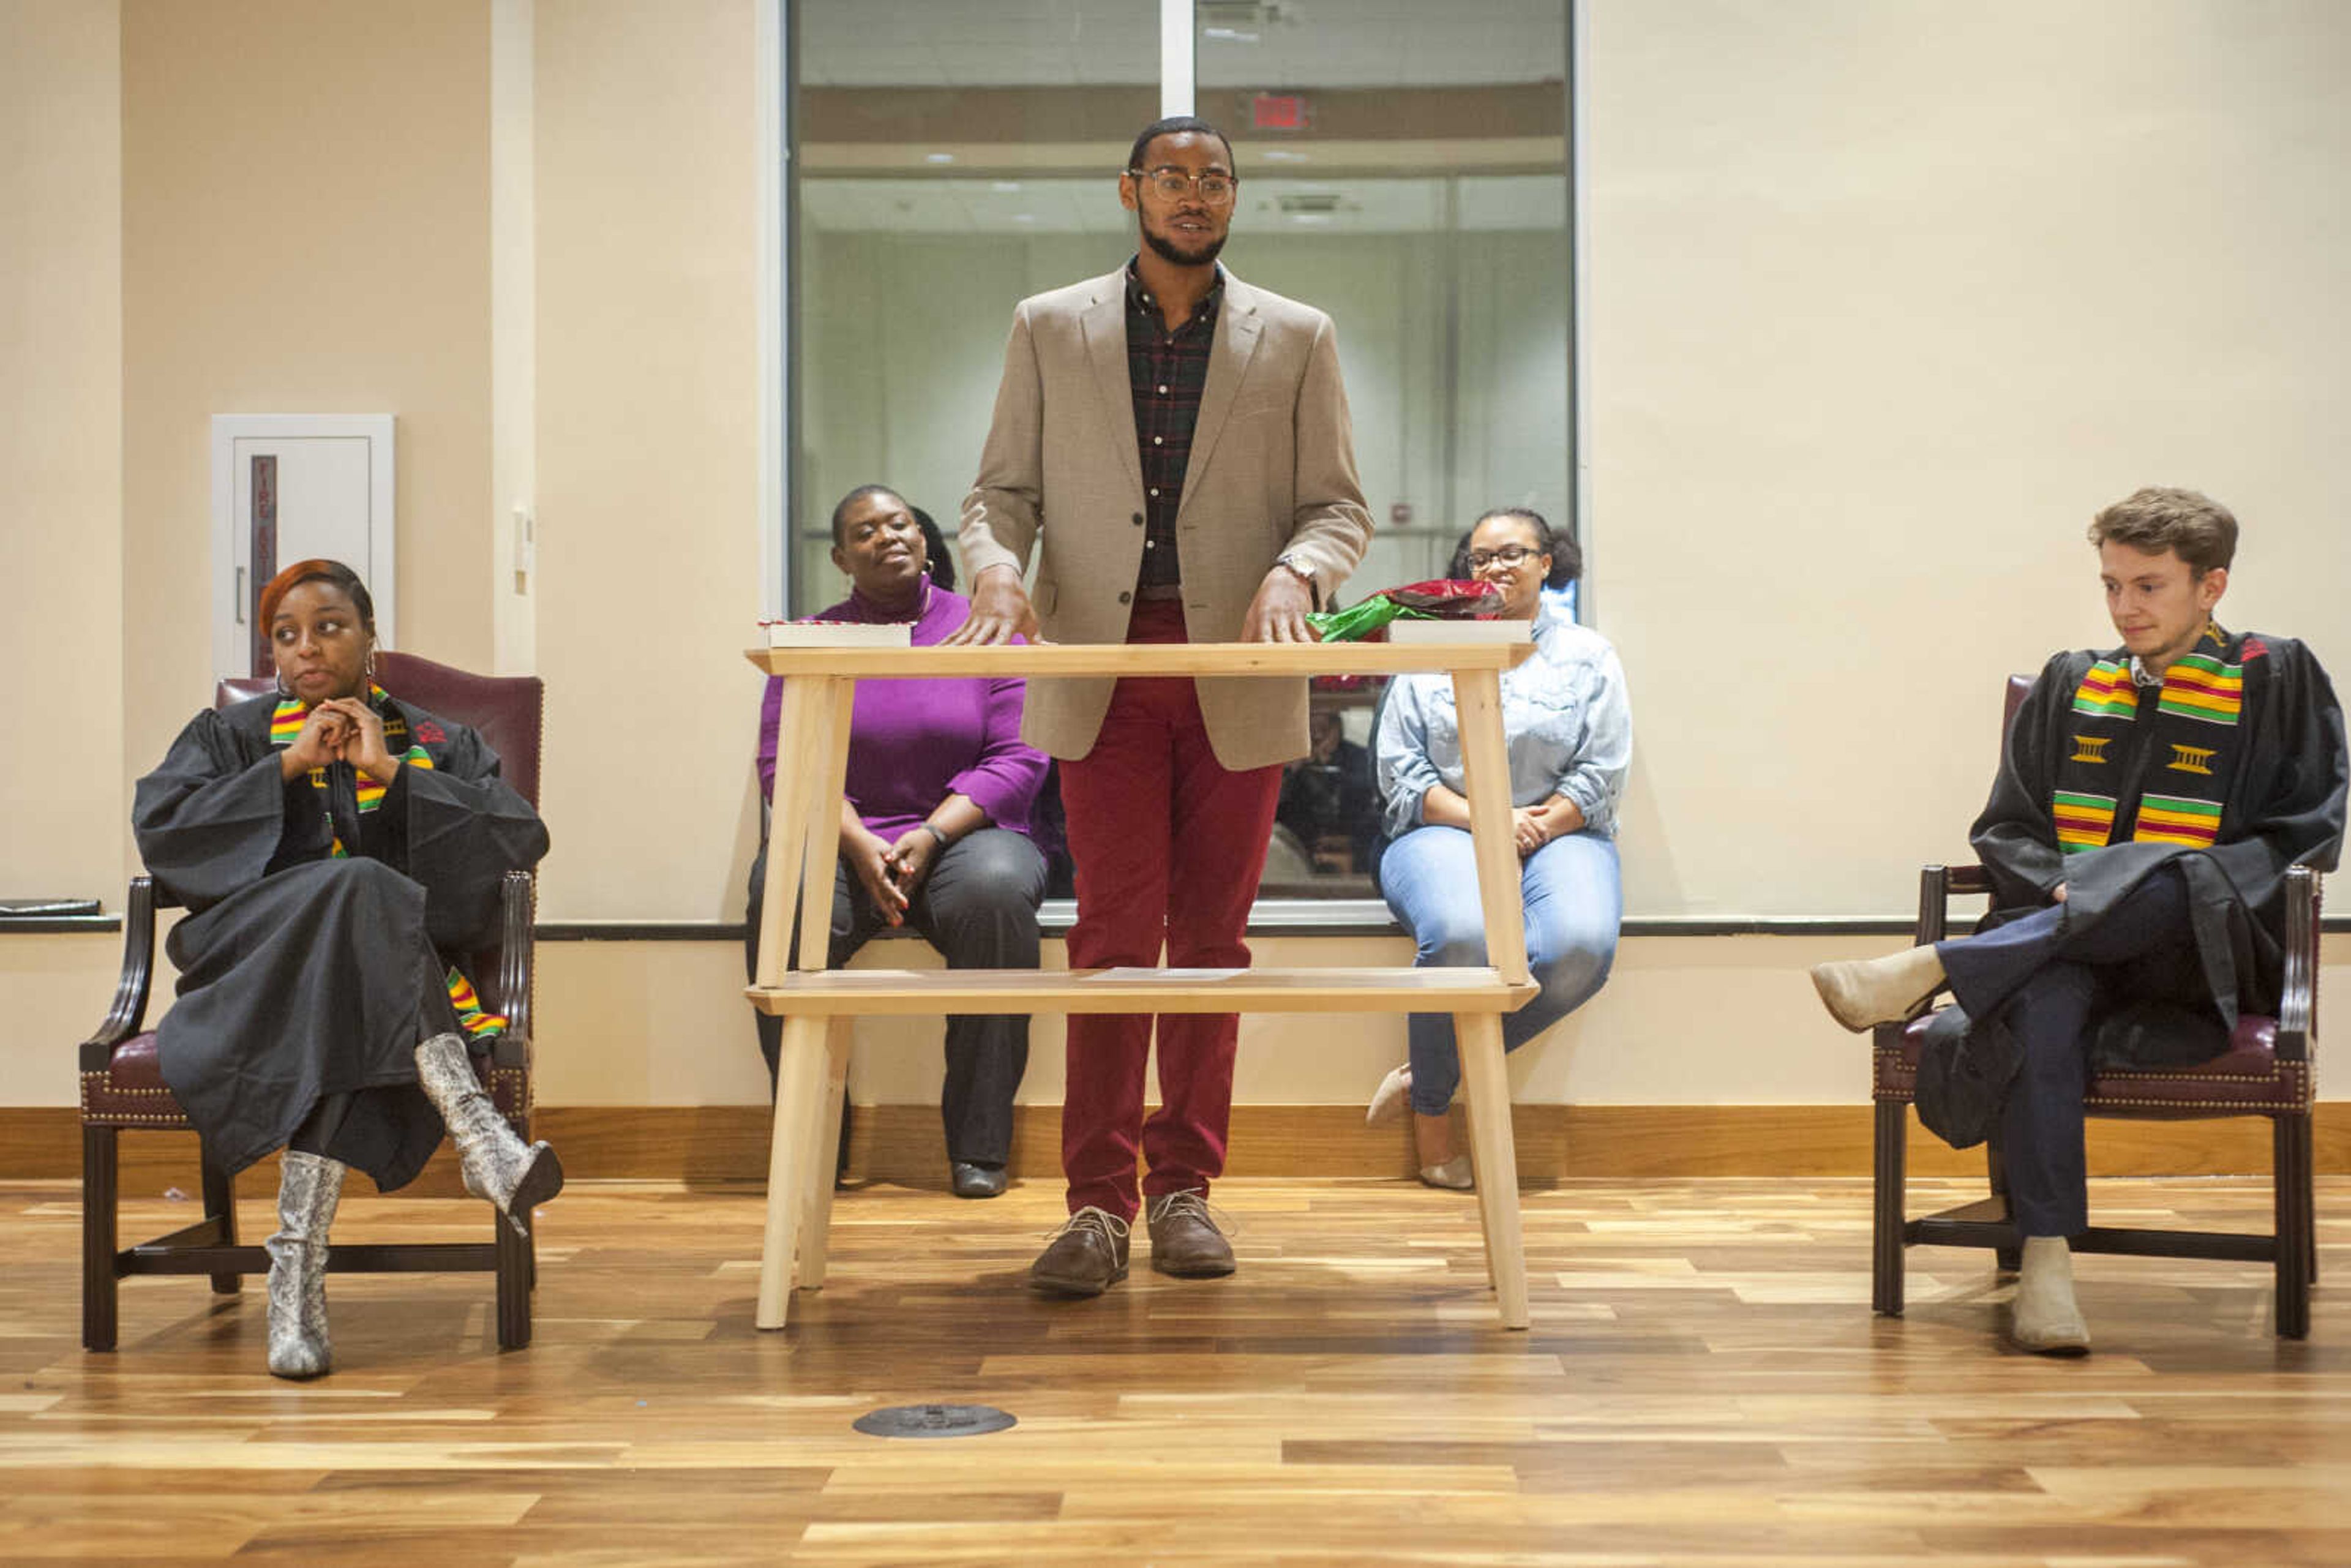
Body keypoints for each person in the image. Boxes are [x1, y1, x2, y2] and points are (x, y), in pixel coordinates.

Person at [951, 113, 1373, 1295]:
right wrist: (992, 565)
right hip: (1104, 670)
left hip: (1237, 667)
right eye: (1174, 178)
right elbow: (999, 493)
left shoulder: (1295, 336)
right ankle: (1095, 1206)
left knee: (1213, 945)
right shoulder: (1051, 326)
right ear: (1130, 189)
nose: (1196, 195)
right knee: (1112, 943)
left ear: (1235, 199)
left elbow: (1338, 507)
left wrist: (1297, 572)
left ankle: (1187, 1190)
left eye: (1217, 179)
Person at [1810, 487, 2346, 1354]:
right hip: (2070, 949)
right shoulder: (2072, 682)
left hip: (2201, 949)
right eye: (2111, 586)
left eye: (2149, 586)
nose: (2124, 608)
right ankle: (2049, 1266)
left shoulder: (2273, 675)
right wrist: (2075, 891)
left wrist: (2150, 876)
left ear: (2211, 586)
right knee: (2044, 1000)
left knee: (2171, 877)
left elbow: (2304, 833)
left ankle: (1942, 965)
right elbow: (2007, 829)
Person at [132, 559, 557, 1380]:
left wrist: (393, 775)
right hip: (253, 965)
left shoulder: (436, 742)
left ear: (370, 638)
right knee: (358, 894)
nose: (305, 649)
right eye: (285, 636)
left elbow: (518, 840)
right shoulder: (231, 736)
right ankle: (479, 1136)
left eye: (328, 626)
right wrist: (286, 768)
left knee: (347, 999)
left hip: (377, 986)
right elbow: (166, 835)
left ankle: (294, 1286)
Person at [748, 485, 1050, 1198]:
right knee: (780, 894)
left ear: (922, 534)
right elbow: (784, 761)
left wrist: (931, 832)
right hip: (843, 830)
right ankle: (814, 1144)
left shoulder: (985, 629)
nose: (886, 536)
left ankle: (980, 1148)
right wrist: (856, 841)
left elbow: (1021, 756)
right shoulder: (812, 639)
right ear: (840, 556)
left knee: (998, 893)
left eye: (899, 522)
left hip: (965, 833)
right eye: (864, 531)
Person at [1368, 509, 1632, 1188]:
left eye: (1514, 553)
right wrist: (1490, 820)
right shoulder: (1426, 650)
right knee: (1461, 934)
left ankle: (1426, 1072)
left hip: (1561, 829)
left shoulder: (1589, 655)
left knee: (1578, 946)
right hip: (1442, 827)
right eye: (1481, 558)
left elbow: (1601, 772)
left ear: (1549, 562)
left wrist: (1535, 824)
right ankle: (1433, 1128)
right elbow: (1402, 776)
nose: (1496, 568)